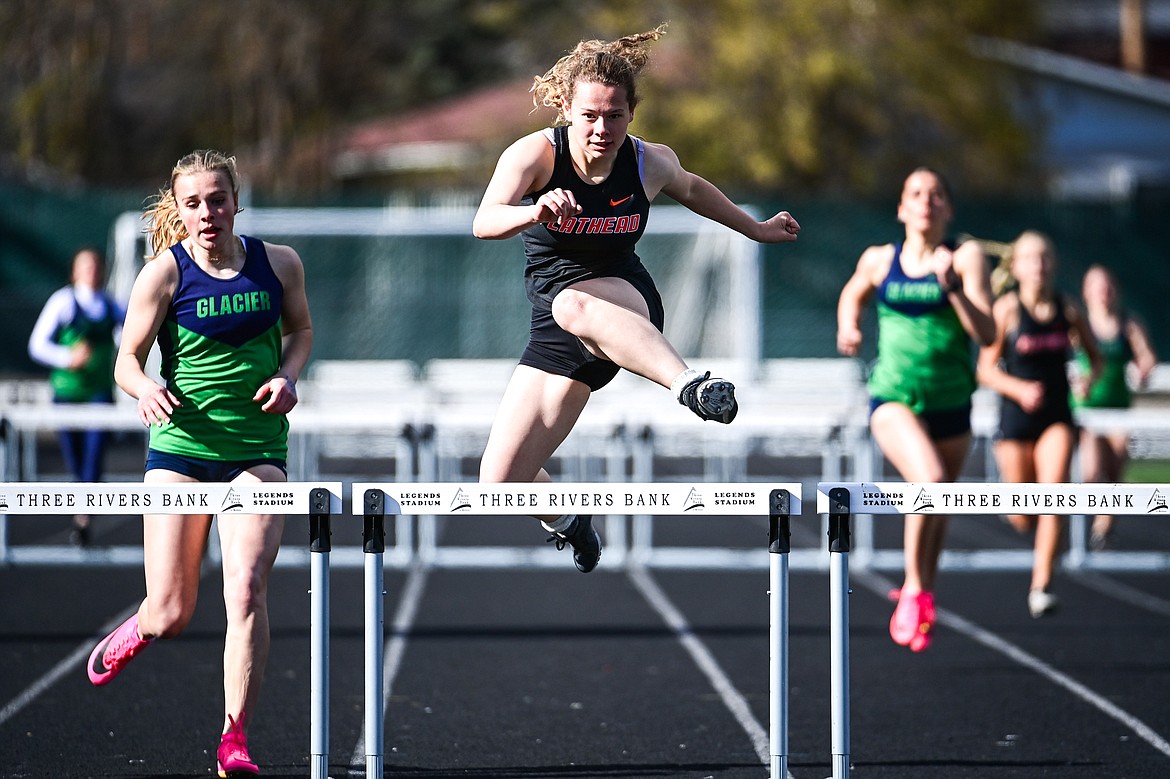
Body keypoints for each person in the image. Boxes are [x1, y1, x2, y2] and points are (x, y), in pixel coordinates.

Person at [471, 25, 800, 572]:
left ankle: (691, 384)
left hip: (624, 300)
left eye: (615, 115)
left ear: (632, 113)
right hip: (557, 321)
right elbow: (485, 221)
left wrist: (756, 229)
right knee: (499, 481)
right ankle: (569, 521)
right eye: (590, 116)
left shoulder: (649, 162)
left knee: (574, 304)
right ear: (566, 110)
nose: (602, 128)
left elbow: (694, 190)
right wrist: (535, 210)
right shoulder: (533, 156)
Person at [85, 150, 312, 777]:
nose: (207, 213)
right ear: (178, 210)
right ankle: (146, 620)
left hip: (257, 453)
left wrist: (290, 375)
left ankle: (233, 739)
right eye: (193, 203)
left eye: (217, 200)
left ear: (235, 201)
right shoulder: (164, 274)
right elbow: (126, 359)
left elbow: (301, 333)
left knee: (245, 586)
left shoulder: (280, 264)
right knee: (174, 611)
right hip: (182, 452)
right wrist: (145, 387)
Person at [836, 167, 995, 651]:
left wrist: (952, 289)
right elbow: (852, 294)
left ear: (947, 208)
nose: (926, 201)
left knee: (940, 502)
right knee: (929, 481)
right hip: (893, 396)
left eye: (936, 194)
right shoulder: (881, 260)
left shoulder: (965, 259)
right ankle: (911, 587)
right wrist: (850, 326)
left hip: (951, 400)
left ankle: (924, 589)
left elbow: (988, 335)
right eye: (916, 194)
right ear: (902, 208)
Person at [977, 230, 1100, 618]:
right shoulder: (1008, 310)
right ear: (1016, 266)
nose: (1040, 265)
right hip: (1015, 421)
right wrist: (1017, 388)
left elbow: (1095, 359)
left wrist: (1087, 379)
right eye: (1031, 258)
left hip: (1056, 419)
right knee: (1022, 516)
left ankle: (1041, 585)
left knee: (1055, 494)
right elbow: (985, 369)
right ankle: (1014, 504)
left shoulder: (1069, 309)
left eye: (1045, 257)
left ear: (1054, 264)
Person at [27, 247, 126, 546]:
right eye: (85, 266)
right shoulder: (63, 302)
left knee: (93, 459)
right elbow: (37, 345)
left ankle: (83, 518)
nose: (91, 271)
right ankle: (83, 511)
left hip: (99, 395)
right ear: (74, 270)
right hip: (67, 394)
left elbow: (134, 335)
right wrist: (66, 356)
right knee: (76, 460)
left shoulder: (111, 306)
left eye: (96, 265)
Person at [1072, 264, 1157, 550]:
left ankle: (1105, 522)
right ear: (1087, 293)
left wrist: (1144, 368)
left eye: (1107, 287)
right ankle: (1100, 517)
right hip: (1088, 410)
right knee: (1092, 471)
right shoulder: (1079, 324)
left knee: (1116, 465)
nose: (1103, 293)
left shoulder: (1128, 324)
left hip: (1118, 409)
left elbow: (1146, 357)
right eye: (1097, 287)